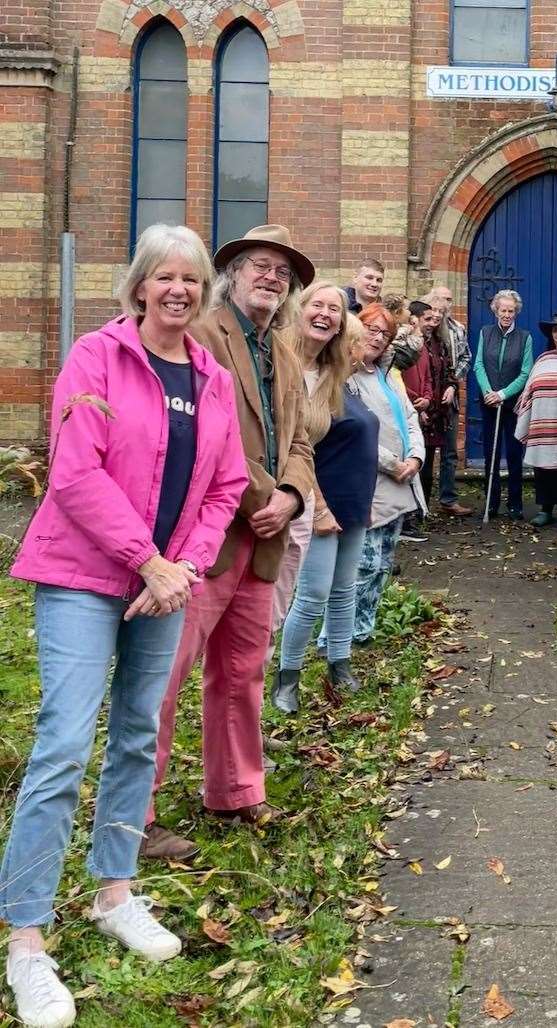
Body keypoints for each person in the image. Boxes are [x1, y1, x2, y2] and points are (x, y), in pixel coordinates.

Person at [1, 225, 247, 1027]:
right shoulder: (96, 359)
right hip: (85, 576)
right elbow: (75, 473)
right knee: (65, 742)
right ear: (139, 286)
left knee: (138, 734)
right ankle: (27, 941)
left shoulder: (210, 378)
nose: (178, 289)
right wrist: (149, 561)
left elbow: (227, 485)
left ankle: (114, 893)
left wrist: (182, 569)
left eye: (191, 279)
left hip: (163, 587)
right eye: (164, 277)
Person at [143, 225, 316, 861]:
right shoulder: (203, 335)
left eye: (282, 272)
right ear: (234, 274)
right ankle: (137, 813)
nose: (272, 278)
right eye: (261, 266)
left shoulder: (287, 350)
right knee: (164, 673)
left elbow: (300, 440)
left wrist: (292, 497)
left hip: (264, 538)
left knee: (242, 672)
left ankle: (238, 789)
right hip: (205, 535)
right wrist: (262, 497)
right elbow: (211, 436)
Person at [272, 284, 379, 714]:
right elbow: (300, 448)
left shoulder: (337, 381)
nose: (325, 315)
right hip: (316, 502)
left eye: (334, 310)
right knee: (313, 594)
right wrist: (318, 506)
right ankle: (287, 676)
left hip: (352, 505)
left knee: (344, 591)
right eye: (318, 305)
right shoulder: (288, 369)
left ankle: (340, 664)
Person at [348, 303, 427, 642]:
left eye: (386, 334)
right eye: (372, 329)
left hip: (401, 484)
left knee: (382, 565)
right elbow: (351, 430)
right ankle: (341, 636)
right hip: (371, 485)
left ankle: (364, 630)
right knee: (361, 566)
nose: (378, 338)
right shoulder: (345, 376)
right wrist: (396, 465)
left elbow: (409, 418)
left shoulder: (386, 375)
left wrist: (416, 458)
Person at [515, 313, 557, 527]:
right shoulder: (543, 359)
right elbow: (529, 390)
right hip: (543, 421)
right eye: (556, 330)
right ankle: (545, 509)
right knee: (543, 466)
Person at [472, 289, 533, 519]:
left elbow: (526, 372)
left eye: (511, 310)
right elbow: (478, 364)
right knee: (492, 454)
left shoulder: (524, 337)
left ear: (516, 311)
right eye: (503, 310)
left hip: (513, 405)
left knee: (515, 454)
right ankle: (491, 502)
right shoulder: (485, 332)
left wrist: (503, 394)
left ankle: (515, 504)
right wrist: (489, 392)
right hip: (489, 404)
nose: (507, 314)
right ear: (495, 310)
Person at [402, 299, 456, 512]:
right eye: (429, 318)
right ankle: (412, 510)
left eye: (437, 318)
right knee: (415, 458)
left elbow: (435, 376)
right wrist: (419, 407)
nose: (433, 322)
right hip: (416, 407)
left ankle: (423, 510)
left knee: (430, 461)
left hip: (434, 409)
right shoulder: (409, 342)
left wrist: (451, 386)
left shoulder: (439, 343)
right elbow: (402, 377)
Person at [427, 284, 473, 516]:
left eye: (448, 300)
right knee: (423, 450)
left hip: (450, 394)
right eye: (440, 299)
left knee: (450, 449)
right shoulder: (425, 327)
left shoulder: (457, 329)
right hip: (427, 396)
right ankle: (420, 504)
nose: (443, 305)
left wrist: (454, 383)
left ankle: (448, 499)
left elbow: (466, 356)